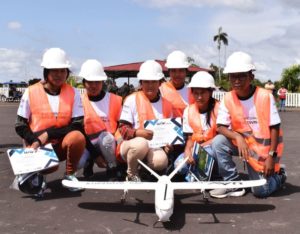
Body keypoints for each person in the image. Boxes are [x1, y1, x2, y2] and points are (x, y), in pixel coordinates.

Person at [209, 51, 286, 199]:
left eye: (241, 75)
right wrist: (237, 137)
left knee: (260, 191)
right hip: (243, 145)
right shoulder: (228, 98)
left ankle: (280, 176)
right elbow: (220, 127)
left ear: (251, 77)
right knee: (218, 142)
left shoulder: (265, 96)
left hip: (262, 151)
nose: (236, 80)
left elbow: (274, 127)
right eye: (233, 76)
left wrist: (271, 156)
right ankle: (233, 183)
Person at [15, 48, 86, 195]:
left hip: (59, 144)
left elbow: (77, 125)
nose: (59, 75)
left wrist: (48, 134)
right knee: (51, 166)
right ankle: (36, 175)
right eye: (54, 71)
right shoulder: (31, 91)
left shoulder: (74, 93)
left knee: (77, 137)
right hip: (36, 145)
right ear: (46, 72)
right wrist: (34, 140)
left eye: (62, 71)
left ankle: (70, 175)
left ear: (67, 72)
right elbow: (20, 125)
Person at [117, 60, 174, 181]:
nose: (150, 85)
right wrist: (137, 133)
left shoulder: (167, 104)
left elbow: (169, 131)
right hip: (131, 145)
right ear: (141, 82)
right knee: (141, 144)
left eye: (154, 82)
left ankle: (144, 169)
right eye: (146, 82)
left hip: (154, 146)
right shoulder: (131, 99)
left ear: (160, 83)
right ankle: (131, 173)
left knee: (160, 162)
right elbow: (122, 128)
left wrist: (168, 145)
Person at [77, 59, 122, 180]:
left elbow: (120, 125)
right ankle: (88, 162)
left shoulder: (115, 100)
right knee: (77, 162)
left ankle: (112, 166)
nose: (93, 86)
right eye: (90, 82)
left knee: (106, 139)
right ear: (84, 82)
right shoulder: (78, 101)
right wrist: (94, 154)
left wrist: (120, 143)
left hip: (109, 143)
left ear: (103, 82)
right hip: (87, 144)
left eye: (97, 82)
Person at [174, 71, 219, 181]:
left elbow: (221, 138)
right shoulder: (188, 110)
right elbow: (190, 137)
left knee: (204, 157)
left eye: (203, 93)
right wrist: (188, 151)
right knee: (179, 165)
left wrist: (198, 149)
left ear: (210, 92)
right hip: (195, 147)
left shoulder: (220, 108)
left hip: (213, 148)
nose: (199, 97)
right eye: (196, 93)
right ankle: (197, 174)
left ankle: (208, 174)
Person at [160, 50, 194, 117]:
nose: (177, 74)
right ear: (169, 72)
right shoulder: (160, 90)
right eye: (173, 71)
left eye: (181, 70)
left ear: (186, 72)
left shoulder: (192, 92)